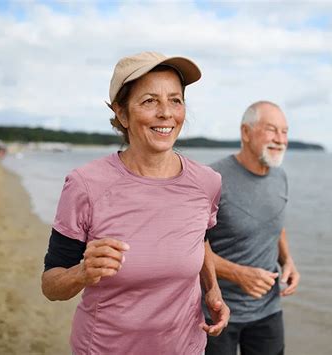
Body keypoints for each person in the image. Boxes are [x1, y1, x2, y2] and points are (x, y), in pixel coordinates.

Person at [41, 51, 229, 354]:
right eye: (150, 101)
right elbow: (50, 285)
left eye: (175, 100)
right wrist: (82, 273)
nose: (166, 113)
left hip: (187, 347)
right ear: (122, 114)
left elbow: (200, 239)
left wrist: (213, 290)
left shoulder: (207, 182)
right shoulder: (86, 185)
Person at [203, 101, 300, 355]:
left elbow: (275, 224)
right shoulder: (212, 179)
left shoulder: (281, 177)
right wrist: (238, 274)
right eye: (271, 130)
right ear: (245, 132)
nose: (280, 139)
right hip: (218, 311)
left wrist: (288, 260)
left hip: (268, 311)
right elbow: (190, 247)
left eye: (285, 131)